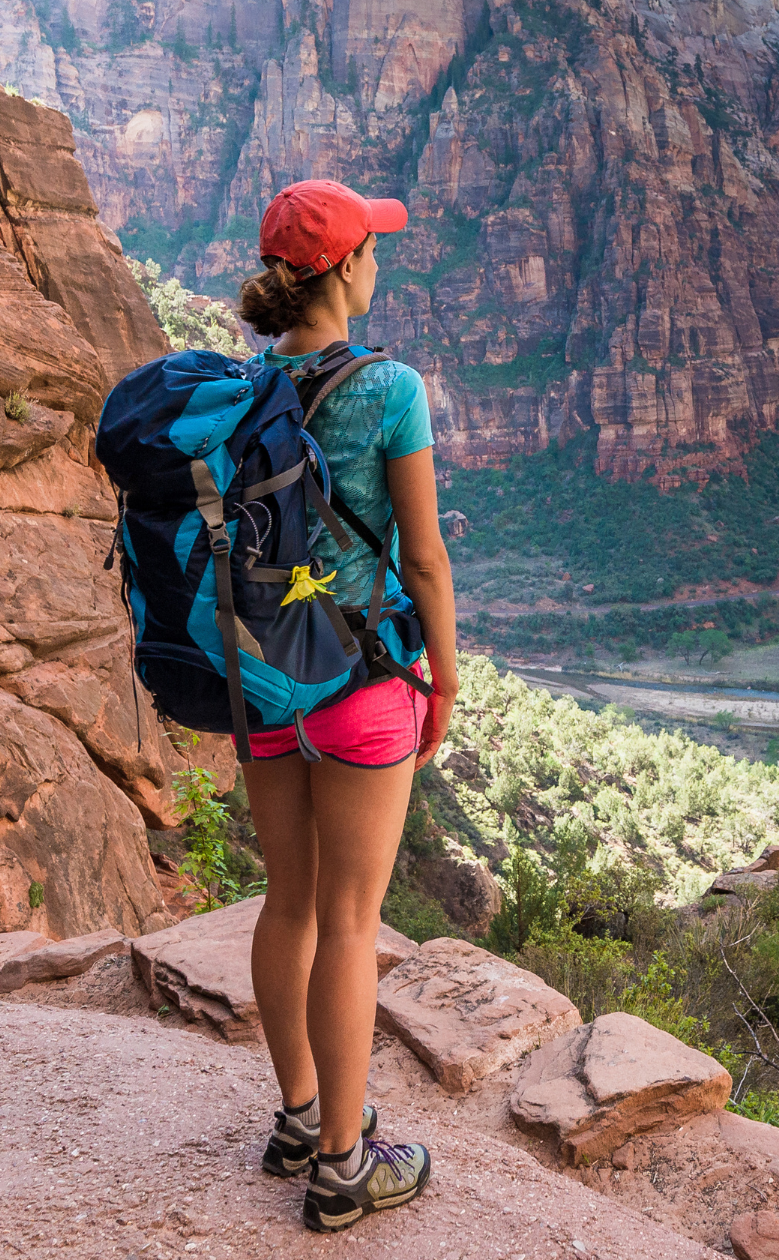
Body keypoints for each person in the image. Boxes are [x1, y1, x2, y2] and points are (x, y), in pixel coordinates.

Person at [231, 179, 457, 1233]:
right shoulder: (391, 386)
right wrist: (443, 677)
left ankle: (294, 1116)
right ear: (346, 268)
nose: (381, 260)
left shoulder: (243, 383)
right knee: (353, 924)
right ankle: (343, 1164)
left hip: (265, 678)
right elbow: (421, 553)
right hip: (363, 684)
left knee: (289, 904)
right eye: (373, 244)